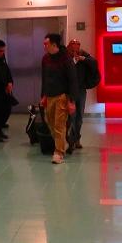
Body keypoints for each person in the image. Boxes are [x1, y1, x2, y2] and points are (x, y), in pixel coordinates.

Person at [40, 33, 78, 166]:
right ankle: (63, 143)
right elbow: (44, 78)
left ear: (54, 45)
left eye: (46, 44)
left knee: (59, 125)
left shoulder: (66, 59)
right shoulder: (45, 59)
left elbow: (73, 80)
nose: (44, 46)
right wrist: (43, 96)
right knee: (50, 123)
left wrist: (71, 101)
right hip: (49, 95)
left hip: (62, 96)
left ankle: (59, 153)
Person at [66, 38, 99, 152]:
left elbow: (94, 63)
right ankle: (71, 141)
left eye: (77, 45)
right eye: (73, 45)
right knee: (71, 117)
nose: (75, 48)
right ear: (69, 47)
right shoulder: (66, 58)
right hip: (69, 91)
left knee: (79, 117)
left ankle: (76, 139)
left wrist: (83, 59)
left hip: (81, 90)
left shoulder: (83, 55)